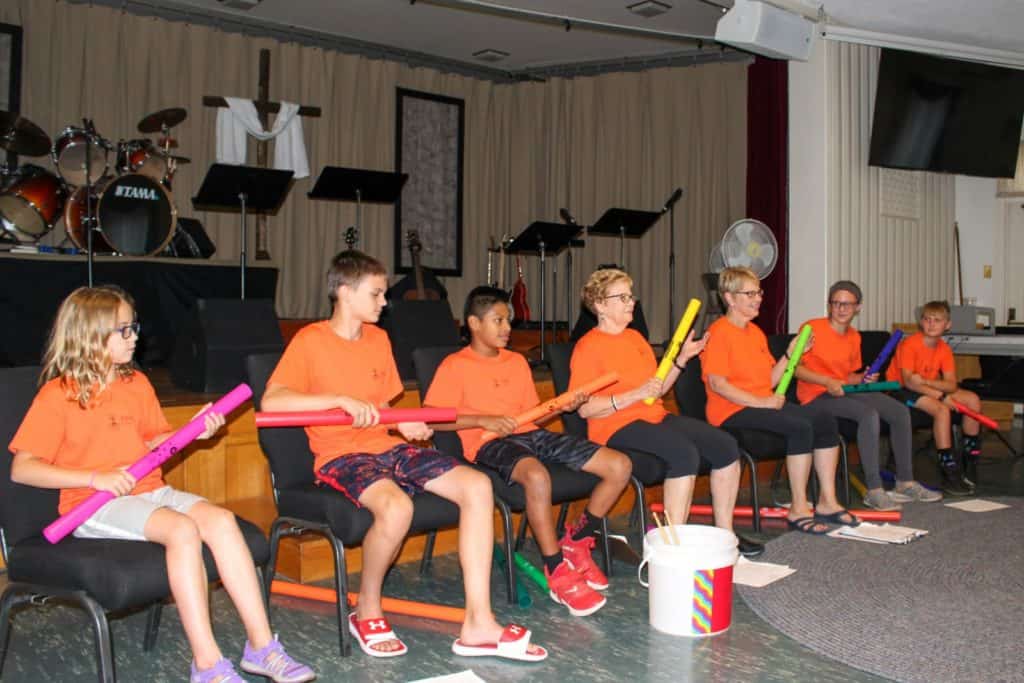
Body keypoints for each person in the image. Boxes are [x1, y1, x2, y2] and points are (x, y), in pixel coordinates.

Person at [8, 286, 315, 683]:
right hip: (95, 501)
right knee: (182, 530)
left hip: (148, 491)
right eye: (125, 329)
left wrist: (195, 432)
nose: (135, 335)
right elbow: (24, 468)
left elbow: (156, 443)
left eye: (134, 326)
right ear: (91, 334)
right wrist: (94, 477)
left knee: (221, 521)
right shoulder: (59, 395)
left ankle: (261, 647)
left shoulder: (135, 383)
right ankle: (206, 665)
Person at [261, 251, 546, 662]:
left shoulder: (378, 340)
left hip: (387, 446)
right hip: (341, 455)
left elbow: (386, 411)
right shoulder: (311, 340)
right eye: (376, 293)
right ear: (344, 292)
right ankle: (367, 608)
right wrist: (338, 400)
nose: (384, 302)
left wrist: (404, 425)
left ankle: (479, 622)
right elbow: (273, 402)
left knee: (477, 485)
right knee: (396, 508)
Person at [425, 286, 632, 616]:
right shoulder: (455, 366)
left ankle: (577, 541)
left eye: (508, 320)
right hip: (488, 443)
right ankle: (556, 568)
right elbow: (432, 418)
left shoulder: (517, 362)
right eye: (498, 321)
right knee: (535, 475)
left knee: (619, 465)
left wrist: (564, 405)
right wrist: (484, 420)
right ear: (474, 324)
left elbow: (535, 414)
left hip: (532, 435)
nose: (507, 328)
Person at [569, 268, 764, 557]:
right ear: (599, 305)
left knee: (725, 446)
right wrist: (632, 395)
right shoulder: (588, 347)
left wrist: (682, 359)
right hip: (614, 426)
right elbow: (585, 408)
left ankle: (726, 535)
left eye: (630, 296)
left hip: (652, 416)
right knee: (683, 452)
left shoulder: (636, 339)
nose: (631, 302)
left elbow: (657, 389)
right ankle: (671, 549)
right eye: (622, 297)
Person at [701, 267, 854, 535]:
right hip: (731, 411)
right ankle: (798, 506)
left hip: (760, 403)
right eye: (749, 293)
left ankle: (827, 501)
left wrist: (789, 354)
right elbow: (718, 384)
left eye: (758, 292)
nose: (758, 298)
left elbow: (770, 381)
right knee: (799, 426)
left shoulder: (756, 333)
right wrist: (763, 403)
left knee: (824, 420)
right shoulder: (719, 332)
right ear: (729, 297)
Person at [794, 280, 942, 510]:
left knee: (899, 411)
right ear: (829, 305)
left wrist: (862, 378)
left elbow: (847, 376)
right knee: (868, 413)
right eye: (836, 303)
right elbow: (795, 368)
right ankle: (874, 489)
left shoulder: (854, 337)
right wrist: (826, 381)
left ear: (858, 307)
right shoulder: (811, 328)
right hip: (815, 396)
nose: (842, 309)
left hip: (843, 392)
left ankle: (905, 481)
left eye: (848, 304)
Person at [886, 300, 980, 496]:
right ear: (921, 322)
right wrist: (941, 395)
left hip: (926, 386)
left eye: (937, 320)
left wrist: (931, 384)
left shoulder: (944, 349)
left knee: (972, 400)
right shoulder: (909, 344)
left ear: (947, 325)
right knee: (942, 410)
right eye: (927, 319)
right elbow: (910, 382)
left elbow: (951, 384)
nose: (931, 324)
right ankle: (949, 471)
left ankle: (969, 460)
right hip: (901, 390)